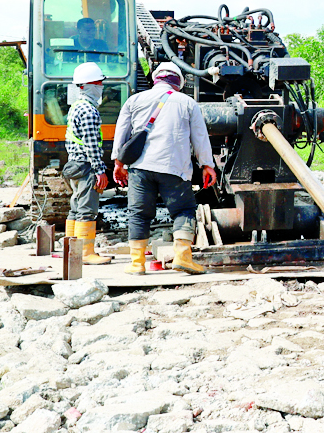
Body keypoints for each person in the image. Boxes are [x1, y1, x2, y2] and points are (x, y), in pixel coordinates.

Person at [112, 62, 217, 275]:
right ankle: (183, 257)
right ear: (178, 82)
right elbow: (200, 137)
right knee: (184, 210)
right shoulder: (187, 103)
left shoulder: (135, 100)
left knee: (138, 213)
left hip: (140, 168)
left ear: (155, 79)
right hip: (174, 168)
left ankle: (137, 263)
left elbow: (121, 132)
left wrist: (118, 163)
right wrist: (207, 165)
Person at [64, 62, 113, 266]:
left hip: (75, 164)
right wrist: (100, 171)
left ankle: (70, 250)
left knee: (76, 207)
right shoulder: (89, 111)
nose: (101, 87)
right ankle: (85, 253)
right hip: (86, 167)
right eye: (98, 83)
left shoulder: (76, 106)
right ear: (88, 86)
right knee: (87, 209)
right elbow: (92, 146)